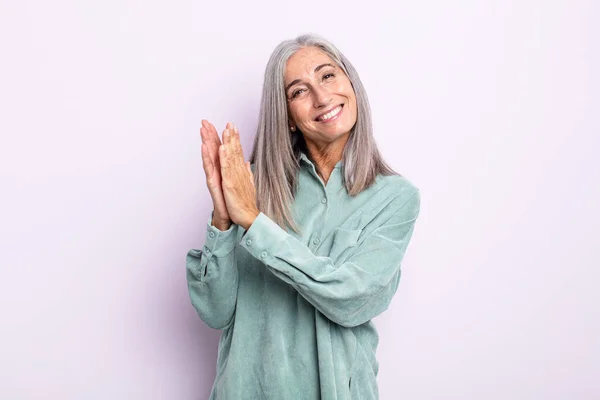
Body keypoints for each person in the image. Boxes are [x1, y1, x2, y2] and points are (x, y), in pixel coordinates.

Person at [186, 33, 421, 400]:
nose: (321, 96)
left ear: (351, 84)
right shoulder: (250, 187)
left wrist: (253, 223)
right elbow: (215, 312)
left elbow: (351, 298)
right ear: (289, 117)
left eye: (327, 75)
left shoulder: (395, 199)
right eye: (298, 91)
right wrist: (223, 216)